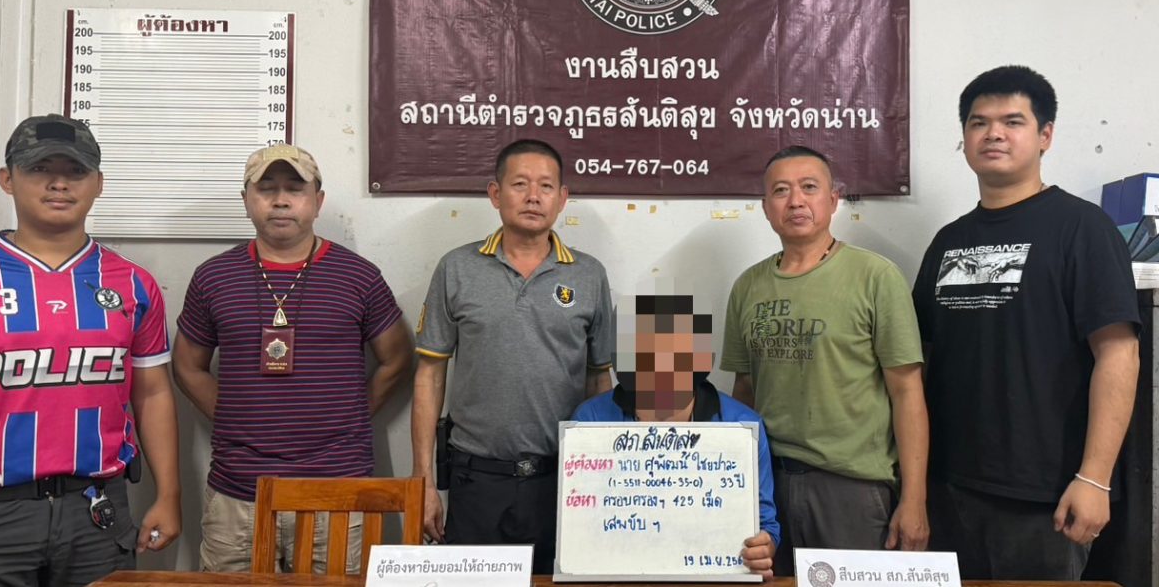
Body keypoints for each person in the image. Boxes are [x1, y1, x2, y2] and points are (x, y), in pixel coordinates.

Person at [913, 65, 1139, 580]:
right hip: (950, 490)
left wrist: (1095, 478)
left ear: (1045, 136)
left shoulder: (1083, 228)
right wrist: (916, 485)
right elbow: (921, 361)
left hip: (1046, 497)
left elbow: (1119, 353)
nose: (993, 133)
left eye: (1012, 121)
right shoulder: (948, 241)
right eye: (979, 122)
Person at [0, 114, 181, 585]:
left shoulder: (133, 284)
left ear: (98, 184)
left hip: (96, 512)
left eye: (76, 171)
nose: (59, 183)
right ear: (7, 179)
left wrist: (169, 494)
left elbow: (153, 393)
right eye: (40, 168)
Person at [173, 143, 413, 573]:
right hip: (238, 495)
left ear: (317, 201)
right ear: (246, 200)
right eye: (266, 188)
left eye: (295, 189)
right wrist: (230, 415)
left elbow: (397, 359)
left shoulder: (358, 276)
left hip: (336, 493)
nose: (281, 200)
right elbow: (187, 366)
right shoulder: (214, 277)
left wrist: (352, 414)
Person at [721, 145, 930, 574]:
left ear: (833, 200)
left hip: (852, 489)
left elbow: (907, 393)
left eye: (809, 188)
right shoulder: (748, 286)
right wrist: (735, 486)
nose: (796, 201)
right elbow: (745, 391)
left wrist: (915, 499)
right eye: (781, 191)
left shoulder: (876, 277)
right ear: (765, 207)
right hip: (767, 485)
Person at [411, 139, 613, 573]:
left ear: (562, 198)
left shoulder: (590, 275)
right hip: (476, 481)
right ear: (495, 193)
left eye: (546, 186)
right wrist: (422, 481)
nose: (533, 196)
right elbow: (429, 375)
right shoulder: (457, 268)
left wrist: (601, 479)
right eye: (520, 184)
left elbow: (600, 381)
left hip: (565, 482)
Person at [572, 292, 781, 579]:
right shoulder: (589, 421)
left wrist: (764, 547)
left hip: (713, 578)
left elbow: (765, 523)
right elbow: (577, 521)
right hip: (617, 577)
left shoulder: (742, 426)